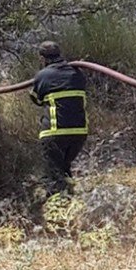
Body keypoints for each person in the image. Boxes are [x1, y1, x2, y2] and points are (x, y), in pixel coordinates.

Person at [30, 42, 88, 195]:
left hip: (54, 133)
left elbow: (36, 99)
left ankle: (58, 203)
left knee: (53, 173)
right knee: (64, 168)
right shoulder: (77, 73)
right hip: (79, 133)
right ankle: (70, 198)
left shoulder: (43, 75)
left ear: (42, 58)